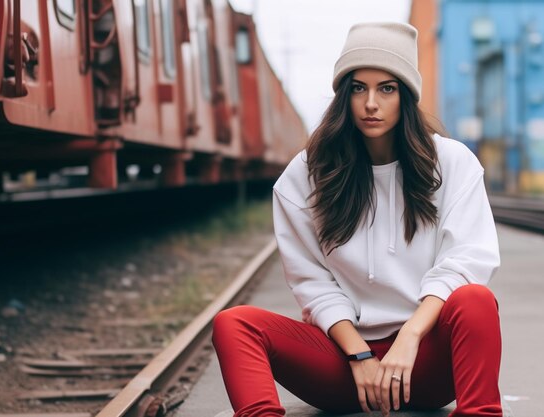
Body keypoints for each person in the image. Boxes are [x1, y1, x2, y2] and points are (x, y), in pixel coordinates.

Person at [212, 22, 502, 417]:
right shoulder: (307, 175)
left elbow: (466, 261)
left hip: (425, 361)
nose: (371, 103)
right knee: (234, 324)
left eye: (387, 88)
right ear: (343, 96)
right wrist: (360, 355)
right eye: (358, 88)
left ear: (406, 95)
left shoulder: (450, 163)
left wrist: (411, 336)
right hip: (345, 368)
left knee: (475, 299)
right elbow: (313, 284)